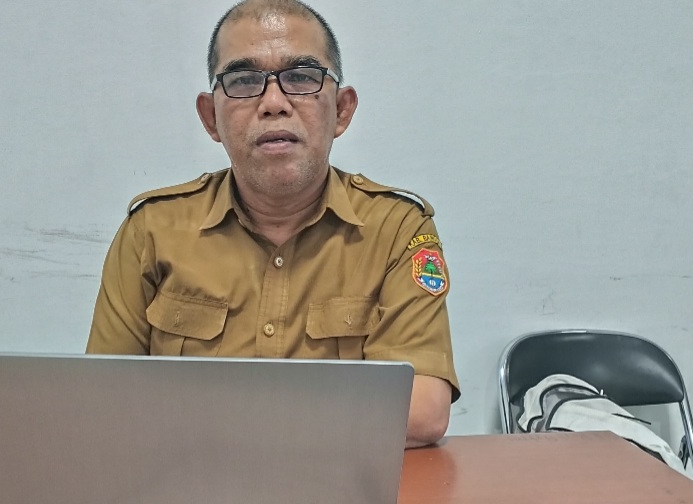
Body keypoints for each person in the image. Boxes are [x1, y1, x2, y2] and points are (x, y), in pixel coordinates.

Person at [86, 0, 459, 448]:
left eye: (301, 77)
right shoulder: (152, 231)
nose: (274, 103)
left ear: (342, 110)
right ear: (210, 117)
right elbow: (104, 402)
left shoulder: (396, 229)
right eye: (244, 81)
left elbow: (421, 411)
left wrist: (206, 414)